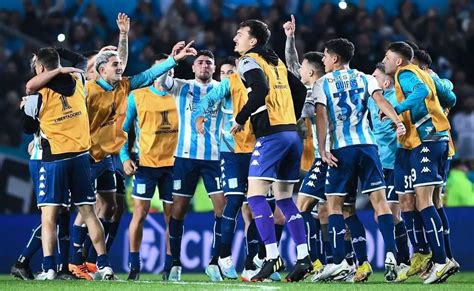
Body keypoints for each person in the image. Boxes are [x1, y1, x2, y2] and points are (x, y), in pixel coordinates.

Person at [314, 38, 406, 282]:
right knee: (380, 202)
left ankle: (339, 261)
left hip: (341, 150)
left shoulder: (322, 83)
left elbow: (321, 116)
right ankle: (391, 254)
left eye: (325, 55)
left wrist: (322, 149)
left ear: (335, 58)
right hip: (367, 146)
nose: (323, 60)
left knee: (335, 207)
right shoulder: (367, 78)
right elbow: (381, 101)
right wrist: (397, 121)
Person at [23, 47, 114, 280]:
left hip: (55, 159)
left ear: (41, 68)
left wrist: (26, 109)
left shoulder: (37, 92)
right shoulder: (79, 78)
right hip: (82, 156)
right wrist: (59, 61)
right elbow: (81, 61)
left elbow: (29, 127)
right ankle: (104, 266)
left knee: (49, 217)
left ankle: (49, 268)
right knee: (89, 213)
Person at [231, 19, 310, 282]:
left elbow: (260, 90)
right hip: (291, 134)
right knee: (285, 199)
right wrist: (290, 117)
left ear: (252, 42)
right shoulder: (276, 62)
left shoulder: (249, 61)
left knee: (254, 196)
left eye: (240, 35)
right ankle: (303, 257)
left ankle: (272, 256)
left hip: (272, 136)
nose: (235, 39)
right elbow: (299, 89)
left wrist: (240, 117)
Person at [382, 41, 457, 284]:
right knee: (415, 200)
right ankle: (430, 256)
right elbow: (450, 97)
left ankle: (441, 259)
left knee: (425, 201)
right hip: (418, 142)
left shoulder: (406, 73)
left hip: (428, 140)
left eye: (387, 57)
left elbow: (423, 93)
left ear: (399, 61)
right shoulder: (417, 74)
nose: (384, 61)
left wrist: (397, 107)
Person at [157, 49, 226, 282]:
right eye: (200, 62)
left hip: (215, 157)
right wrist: (173, 59)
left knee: (223, 210)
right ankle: (174, 263)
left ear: (214, 68)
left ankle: (215, 262)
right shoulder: (181, 86)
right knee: (178, 211)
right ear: (193, 67)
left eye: (209, 62)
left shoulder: (221, 88)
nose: (204, 66)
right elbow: (161, 80)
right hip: (185, 157)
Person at [120, 53, 178, 280]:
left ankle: (169, 267)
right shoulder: (137, 96)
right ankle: (134, 266)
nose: (167, 73)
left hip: (174, 165)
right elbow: (122, 130)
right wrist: (125, 157)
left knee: (171, 218)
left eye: (170, 69)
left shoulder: (180, 95)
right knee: (140, 214)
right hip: (145, 164)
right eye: (162, 69)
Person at [368, 63, 412, 281]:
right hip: (378, 164)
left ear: (385, 83)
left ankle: (399, 260)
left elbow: (404, 127)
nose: (371, 78)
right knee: (380, 216)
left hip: (397, 163)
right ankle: (405, 257)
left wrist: (399, 127)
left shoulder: (396, 101)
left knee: (392, 214)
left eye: (375, 76)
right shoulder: (371, 98)